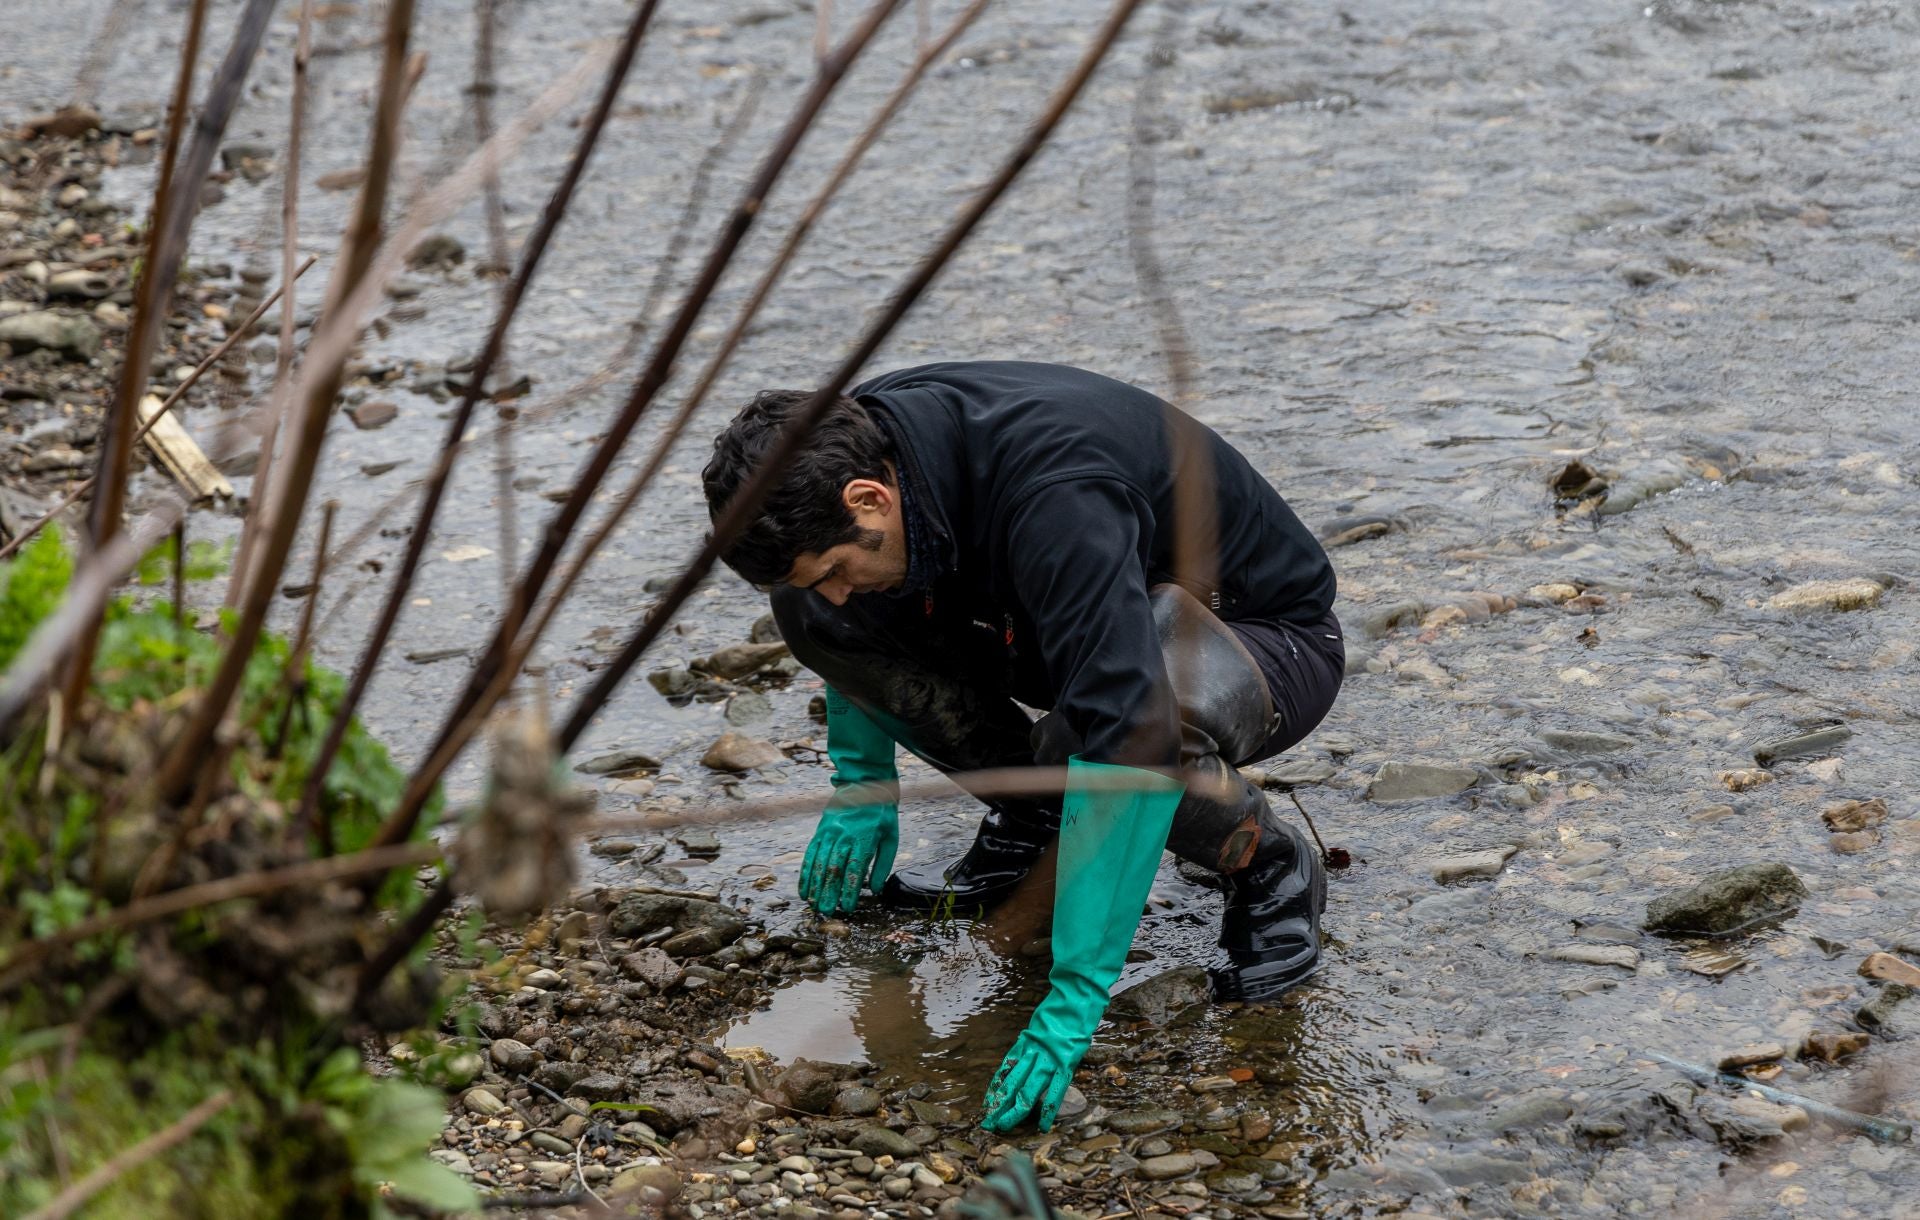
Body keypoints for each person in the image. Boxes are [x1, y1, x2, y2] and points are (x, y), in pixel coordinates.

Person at [701, 361, 1343, 1132]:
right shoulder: (862, 456)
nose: (837, 585)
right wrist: (860, 781)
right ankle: (1037, 818)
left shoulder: (1054, 491)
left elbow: (1127, 727)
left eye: (839, 566)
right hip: (1056, 619)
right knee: (817, 615)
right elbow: (839, 611)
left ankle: (1264, 860)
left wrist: (1073, 995)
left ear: (869, 497)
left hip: (1255, 636)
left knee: (1120, 722)